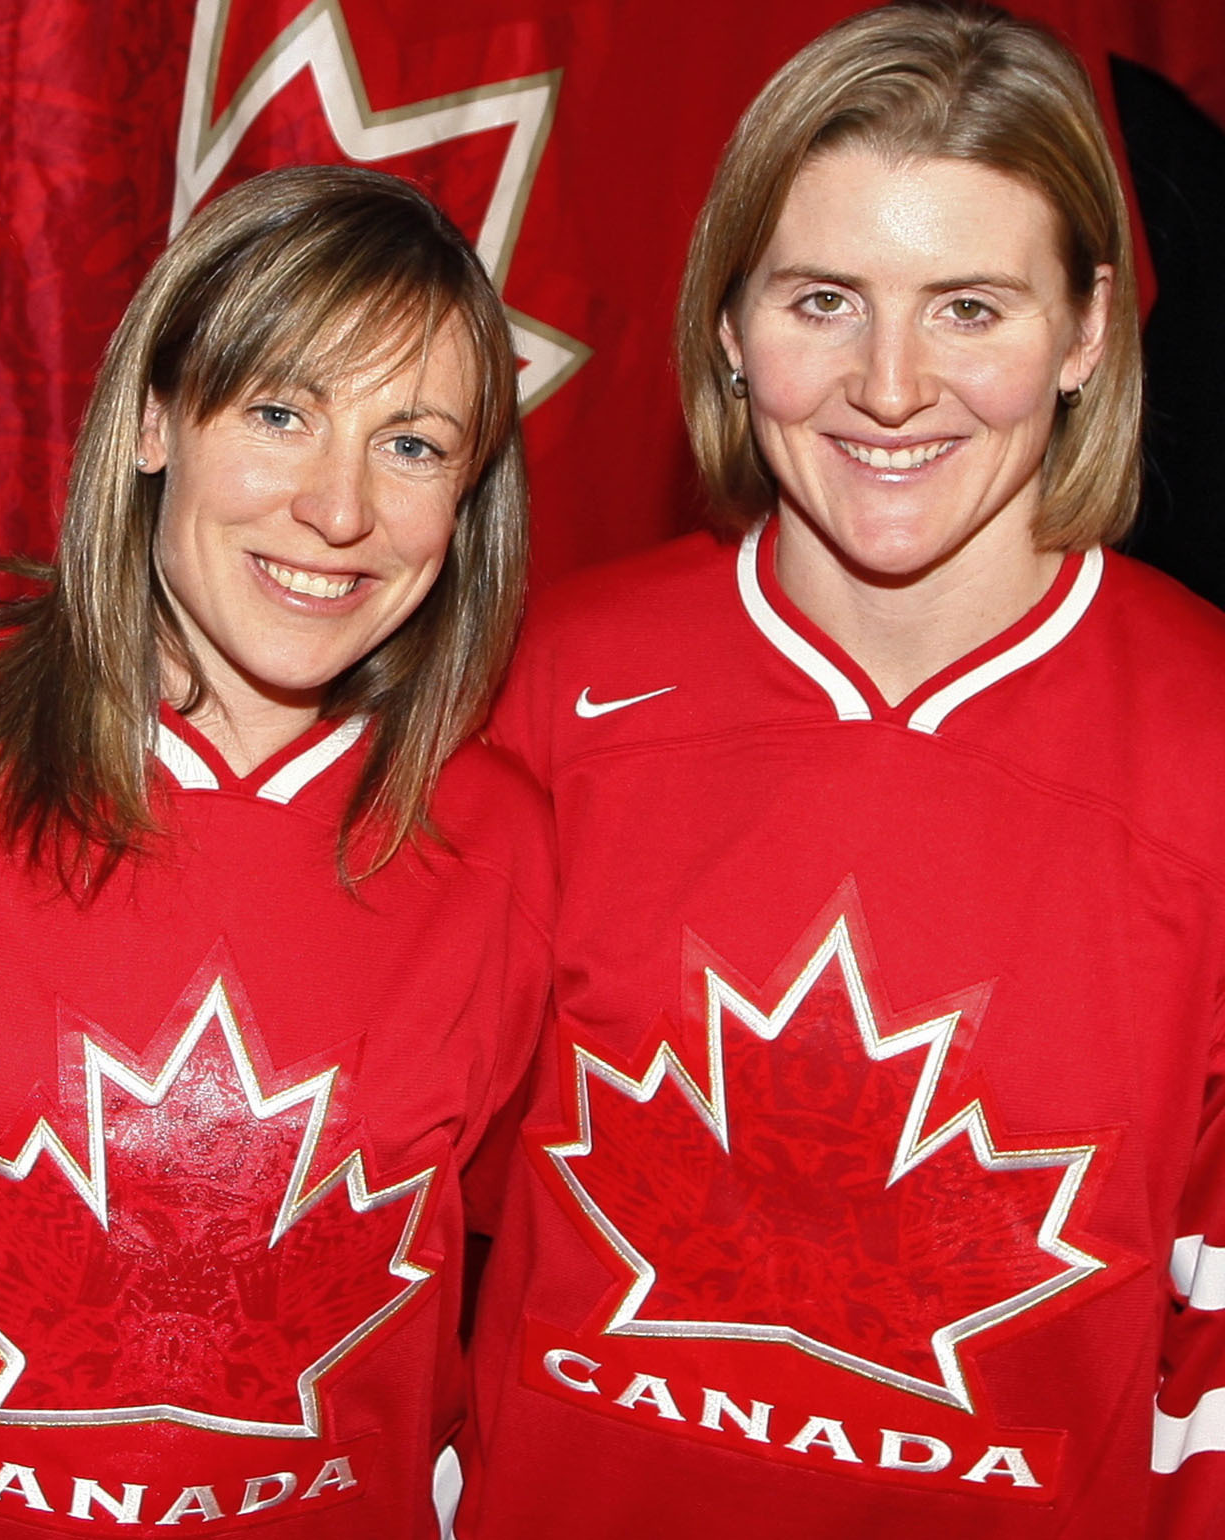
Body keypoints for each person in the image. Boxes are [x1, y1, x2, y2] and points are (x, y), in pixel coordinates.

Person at [458, 3, 1225, 1536]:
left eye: (969, 308)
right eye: (823, 300)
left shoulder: (1206, 741)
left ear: (1087, 330)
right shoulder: (539, 681)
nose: (888, 386)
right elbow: (400, 1226)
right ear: (729, 326)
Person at [0, 164, 554, 1538]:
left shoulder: (504, 843)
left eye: (412, 445)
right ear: (153, 420)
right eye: (280, 413)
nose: (339, 510)